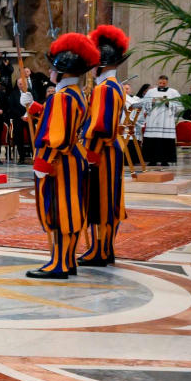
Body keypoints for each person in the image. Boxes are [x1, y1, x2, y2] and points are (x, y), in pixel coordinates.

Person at [29, 32, 99, 279]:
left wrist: (42, 162)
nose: (50, 72)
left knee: (60, 211)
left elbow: (56, 136)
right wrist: (38, 108)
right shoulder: (77, 94)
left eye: (53, 69)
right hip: (75, 157)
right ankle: (67, 260)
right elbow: (63, 121)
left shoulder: (61, 97)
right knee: (72, 209)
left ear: (62, 72)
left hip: (60, 161)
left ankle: (59, 263)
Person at [81, 25, 131, 267]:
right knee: (109, 199)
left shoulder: (104, 89)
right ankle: (104, 248)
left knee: (101, 201)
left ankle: (100, 250)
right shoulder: (115, 86)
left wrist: (90, 151)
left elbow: (101, 126)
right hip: (110, 149)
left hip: (101, 151)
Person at [142, 75, 182, 166]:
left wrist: (168, 103)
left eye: (164, 83)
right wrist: (151, 102)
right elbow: (144, 103)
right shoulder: (151, 92)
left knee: (165, 140)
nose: (162, 84)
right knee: (152, 139)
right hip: (153, 119)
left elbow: (180, 106)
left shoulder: (173, 92)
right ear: (158, 82)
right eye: (160, 82)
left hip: (166, 120)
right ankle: (152, 160)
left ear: (167, 82)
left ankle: (165, 160)